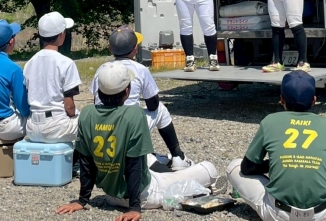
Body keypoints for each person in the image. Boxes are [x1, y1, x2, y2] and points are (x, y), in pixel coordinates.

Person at [57, 62, 223, 220]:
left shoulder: (87, 113)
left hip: (110, 195)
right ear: (127, 91)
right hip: (143, 195)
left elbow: (86, 161)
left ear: (98, 91)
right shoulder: (134, 114)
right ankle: (189, 173)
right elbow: (133, 163)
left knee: (148, 157)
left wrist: (82, 200)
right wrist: (134, 207)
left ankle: (171, 168)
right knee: (208, 169)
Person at [227, 71, 326, 221]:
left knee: (234, 166)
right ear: (314, 100)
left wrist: (274, 164)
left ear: (281, 99)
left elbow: (247, 168)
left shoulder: (270, 121)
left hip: (278, 215)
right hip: (322, 215)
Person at [90, 26, 193, 170]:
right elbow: (153, 105)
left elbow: (96, 101)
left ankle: (152, 155)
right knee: (160, 109)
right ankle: (178, 156)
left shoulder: (102, 69)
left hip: (103, 126)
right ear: (135, 49)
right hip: (129, 126)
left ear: (110, 49)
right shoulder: (140, 69)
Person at [23, 12, 81, 143]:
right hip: (56, 126)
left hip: (32, 128)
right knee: (86, 121)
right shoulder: (66, 63)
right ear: (62, 34)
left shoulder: (29, 63)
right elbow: (69, 106)